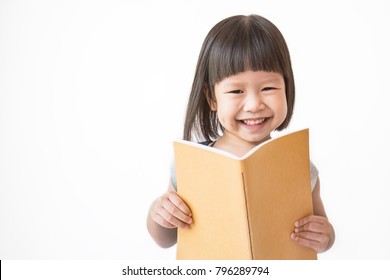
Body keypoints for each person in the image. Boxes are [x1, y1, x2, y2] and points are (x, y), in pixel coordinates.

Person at [147, 14, 335, 254]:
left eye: (268, 88)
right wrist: (159, 213)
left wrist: (325, 236)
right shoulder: (192, 163)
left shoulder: (299, 167)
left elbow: (322, 233)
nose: (254, 104)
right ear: (212, 98)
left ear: (286, 89)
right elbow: (165, 239)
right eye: (236, 90)